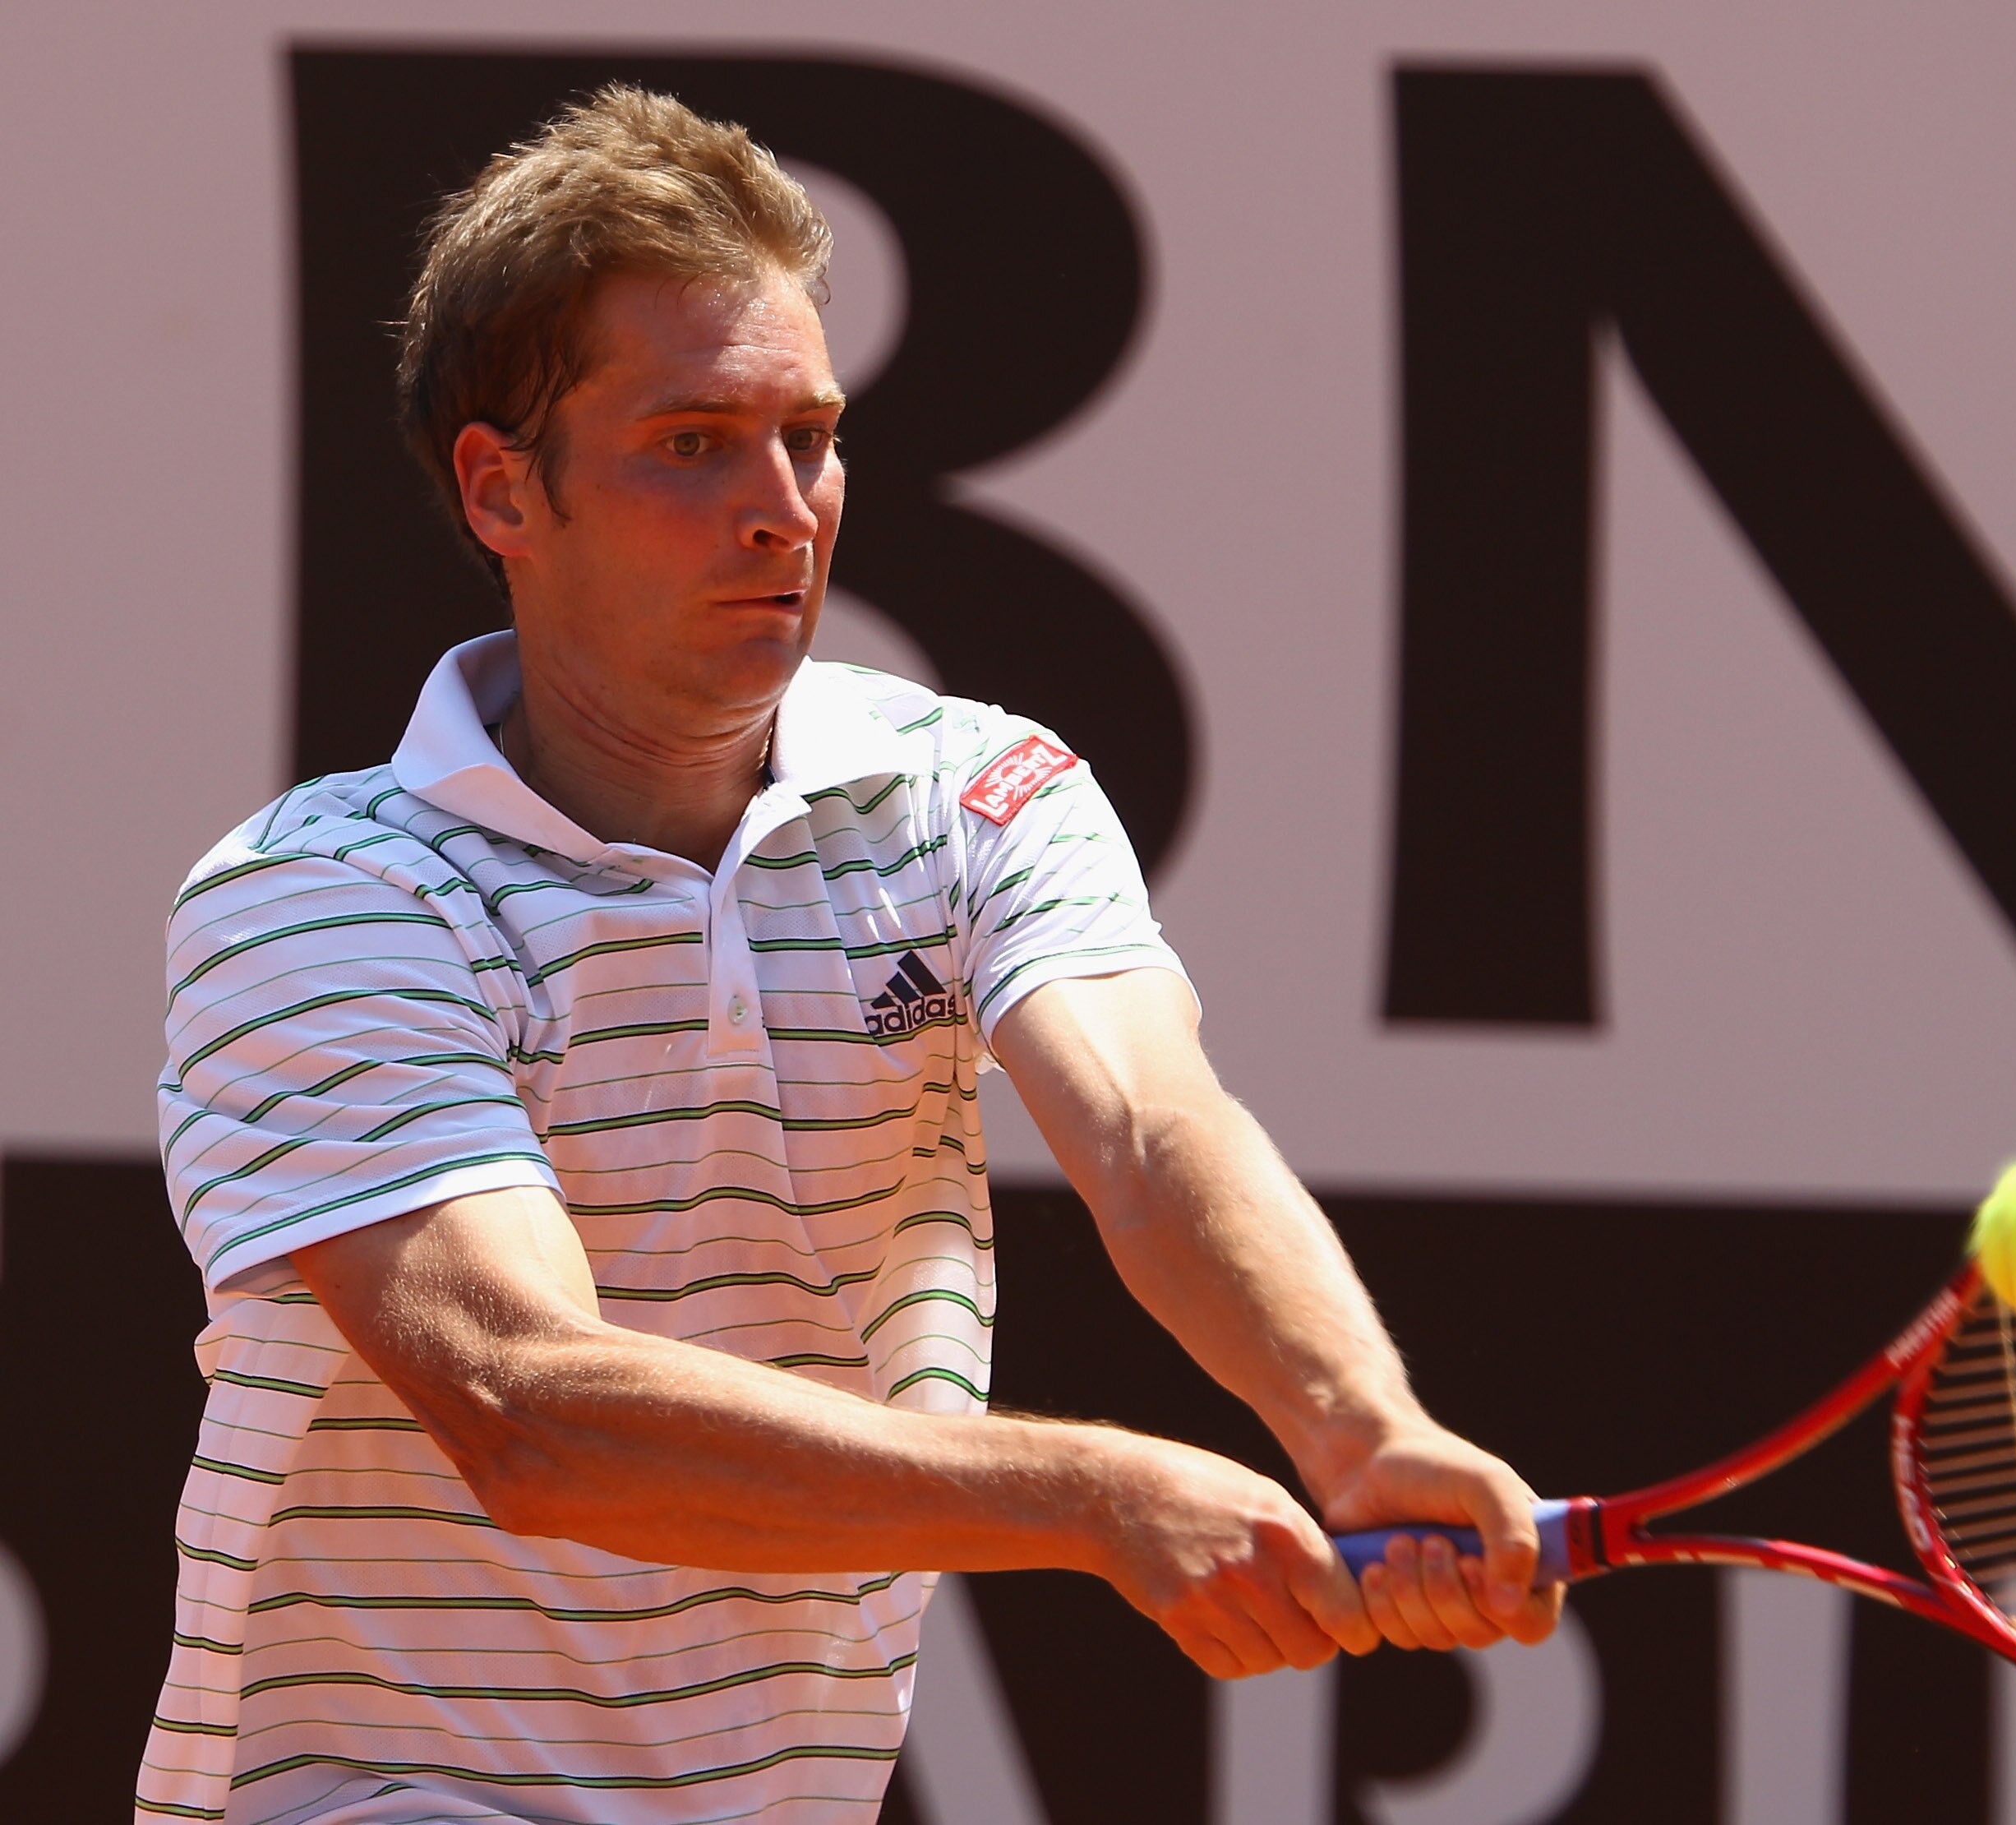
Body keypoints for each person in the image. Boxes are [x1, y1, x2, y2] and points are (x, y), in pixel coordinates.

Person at [142, 85, 1557, 1824]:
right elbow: (529, 1407)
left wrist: (1355, 1431)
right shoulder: (320, 897)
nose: (784, 507)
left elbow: (1146, 1129)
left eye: (810, 435)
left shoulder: (980, 794)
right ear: (503, 491)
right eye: (692, 443)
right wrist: (1086, 1491)